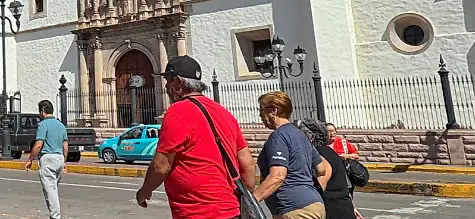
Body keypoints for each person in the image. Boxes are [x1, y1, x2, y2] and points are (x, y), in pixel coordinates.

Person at [135, 56, 257, 219]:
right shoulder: (223, 113)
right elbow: (247, 164)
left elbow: (161, 166)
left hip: (198, 211)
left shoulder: (177, 111)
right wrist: (244, 196)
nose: (166, 86)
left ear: (178, 82)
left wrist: (145, 191)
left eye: (168, 81)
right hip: (231, 209)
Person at [255, 91, 331, 219]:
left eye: (262, 110)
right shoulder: (301, 135)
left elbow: (278, 176)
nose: (260, 115)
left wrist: (252, 201)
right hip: (314, 204)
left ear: (274, 110)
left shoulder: (278, 137)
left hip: (293, 209)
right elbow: (321, 169)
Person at [296, 119, 357, 219]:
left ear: (311, 137)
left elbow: (319, 189)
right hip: (341, 207)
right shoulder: (327, 151)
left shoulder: (320, 155)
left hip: (333, 210)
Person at [25, 99, 68, 219]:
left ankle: (55, 216)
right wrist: (63, 161)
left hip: (48, 159)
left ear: (43, 111)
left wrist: (30, 159)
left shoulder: (43, 125)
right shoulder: (61, 125)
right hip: (59, 158)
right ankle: (53, 215)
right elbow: (65, 146)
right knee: (53, 189)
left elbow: (39, 144)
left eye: (39, 111)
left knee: (50, 191)